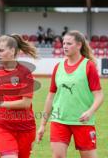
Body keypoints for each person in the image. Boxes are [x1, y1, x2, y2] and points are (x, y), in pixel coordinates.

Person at [37, 30, 104, 158]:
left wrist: (90, 112)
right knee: (58, 156)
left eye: (69, 43)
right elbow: (50, 97)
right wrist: (42, 125)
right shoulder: (58, 67)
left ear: (79, 45)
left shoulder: (88, 66)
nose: (65, 46)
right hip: (59, 120)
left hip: (82, 122)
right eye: (63, 43)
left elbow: (99, 95)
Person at [0, 34, 38, 158]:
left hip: (26, 128)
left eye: (1, 50)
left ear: (12, 51)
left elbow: (26, 103)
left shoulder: (25, 73)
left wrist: (0, 104)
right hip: (3, 126)